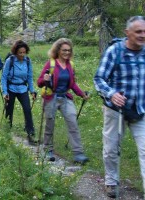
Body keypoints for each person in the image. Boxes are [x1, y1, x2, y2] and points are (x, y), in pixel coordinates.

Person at [93, 16, 145, 199]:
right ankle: (111, 182)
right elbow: (99, 78)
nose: (142, 35)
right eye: (138, 31)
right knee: (112, 149)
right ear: (127, 33)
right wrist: (112, 94)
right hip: (116, 110)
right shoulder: (115, 51)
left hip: (140, 109)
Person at [37, 38, 89, 163]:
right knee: (49, 124)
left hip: (65, 97)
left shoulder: (70, 65)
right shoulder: (51, 64)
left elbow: (72, 84)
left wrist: (82, 94)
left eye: (69, 50)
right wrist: (45, 79)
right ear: (58, 50)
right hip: (51, 97)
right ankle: (48, 149)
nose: (67, 52)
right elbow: (39, 83)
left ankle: (78, 153)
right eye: (64, 50)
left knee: (73, 123)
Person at [1, 40, 37, 144]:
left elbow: (29, 77)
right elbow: (3, 77)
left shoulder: (28, 61)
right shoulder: (10, 60)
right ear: (16, 52)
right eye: (20, 52)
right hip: (11, 88)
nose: (22, 54)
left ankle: (30, 134)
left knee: (27, 110)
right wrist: (5, 92)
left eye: (24, 52)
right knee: (9, 110)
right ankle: (7, 131)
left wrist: (32, 91)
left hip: (22, 88)